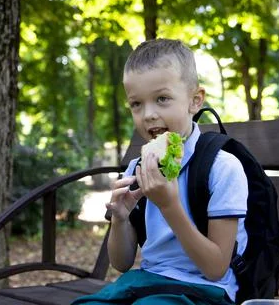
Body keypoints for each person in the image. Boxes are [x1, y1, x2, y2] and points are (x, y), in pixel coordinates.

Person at [72, 38, 248, 305]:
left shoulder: (222, 168)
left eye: (162, 99)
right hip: (148, 282)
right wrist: (119, 219)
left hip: (206, 291)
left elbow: (215, 268)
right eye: (136, 104)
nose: (148, 115)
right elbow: (121, 263)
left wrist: (169, 205)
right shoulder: (137, 168)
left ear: (195, 101)